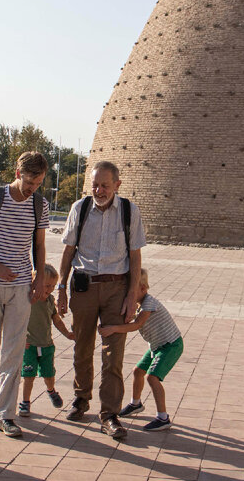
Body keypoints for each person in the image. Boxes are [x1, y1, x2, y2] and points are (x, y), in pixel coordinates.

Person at [57, 160, 145, 441]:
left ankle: (110, 414)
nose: (99, 190)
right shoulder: (80, 209)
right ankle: (81, 398)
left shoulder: (129, 212)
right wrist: (60, 287)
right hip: (83, 287)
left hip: (116, 289)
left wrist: (132, 296)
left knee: (113, 353)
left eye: (105, 185)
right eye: (95, 184)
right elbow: (68, 251)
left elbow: (135, 257)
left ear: (117, 185)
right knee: (82, 346)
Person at [0, 151, 50, 438]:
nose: (33, 189)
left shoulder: (40, 205)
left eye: (38, 184)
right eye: (30, 182)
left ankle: (5, 413)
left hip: (21, 287)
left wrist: (39, 278)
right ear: (17, 173)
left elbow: (39, 245)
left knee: (14, 351)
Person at [100, 268, 182, 431]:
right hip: (157, 345)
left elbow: (137, 325)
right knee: (138, 371)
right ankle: (135, 404)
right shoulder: (138, 304)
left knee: (152, 378)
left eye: (131, 290)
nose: (127, 294)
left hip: (171, 345)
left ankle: (163, 417)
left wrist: (114, 328)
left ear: (143, 289)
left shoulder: (149, 303)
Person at [19, 264, 74, 418]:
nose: (49, 289)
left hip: (46, 345)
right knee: (28, 375)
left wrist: (67, 334)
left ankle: (51, 391)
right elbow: (16, 320)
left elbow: (56, 320)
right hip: (29, 345)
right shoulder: (27, 300)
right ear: (35, 283)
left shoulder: (50, 301)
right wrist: (20, 339)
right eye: (46, 285)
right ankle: (25, 402)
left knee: (48, 374)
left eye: (52, 286)